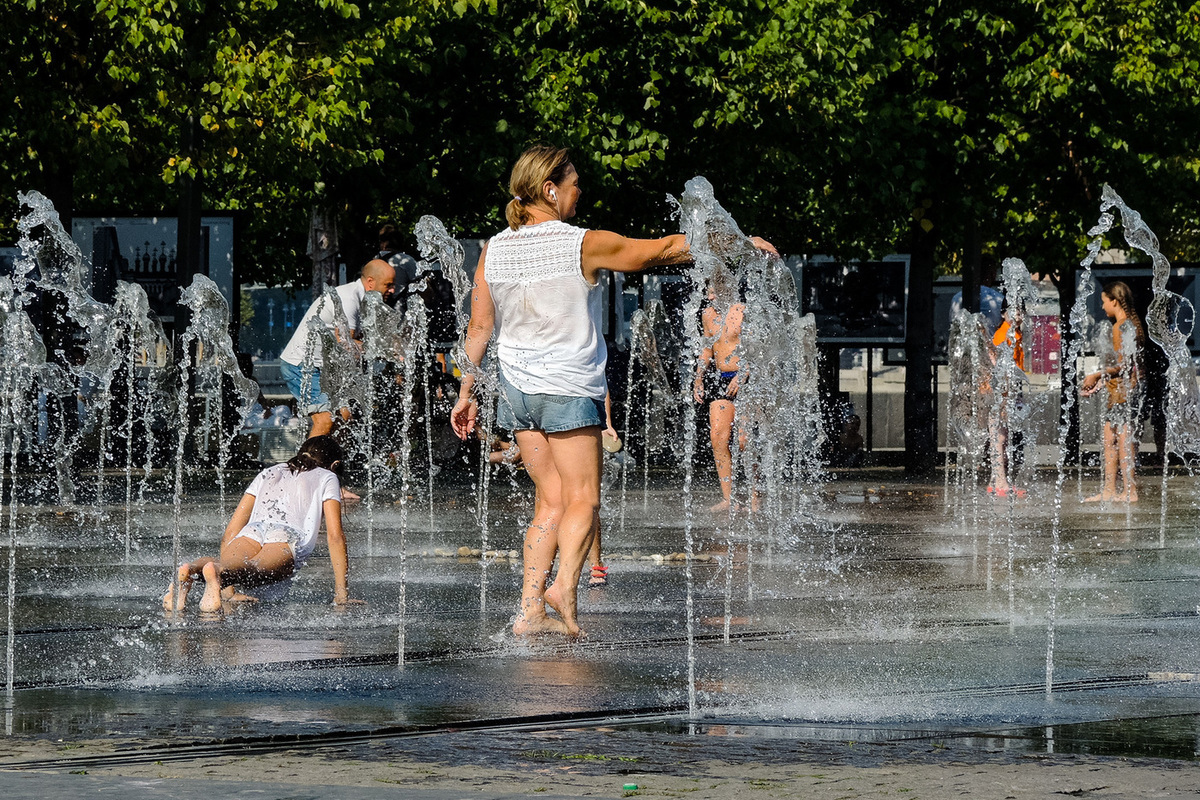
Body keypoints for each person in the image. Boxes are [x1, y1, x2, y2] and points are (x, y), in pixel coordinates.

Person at [450, 145, 774, 637]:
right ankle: (563, 587)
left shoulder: (494, 249)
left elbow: (478, 327)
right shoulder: (580, 243)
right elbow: (660, 250)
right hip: (567, 387)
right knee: (583, 499)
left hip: (516, 391)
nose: (581, 191)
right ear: (550, 188)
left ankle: (530, 608)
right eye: (575, 183)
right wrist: (736, 243)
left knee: (549, 503)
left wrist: (466, 391)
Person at [162, 435, 359, 613]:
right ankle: (216, 573)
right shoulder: (327, 476)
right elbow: (335, 536)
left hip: (251, 532)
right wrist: (342, 595)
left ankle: (192, 569)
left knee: (228, 567)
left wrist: (228, 593)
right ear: (335, 464)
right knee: (254, 570)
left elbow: (232, 531)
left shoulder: (269, 472)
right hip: (285, 537)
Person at [278, 260, 396, 437]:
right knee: (326, 419)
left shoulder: (366, 301)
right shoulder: (349, 298)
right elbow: (346, 345)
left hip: (323, 368)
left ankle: (331, 462)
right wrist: (385, 352)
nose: (393, 290)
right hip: (302, 365)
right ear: (370, 281)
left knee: (344, 417)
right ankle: (306, 463)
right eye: (388, 284)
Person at [693, 275, 754, 512]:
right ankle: (729, 499)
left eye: (713, 292)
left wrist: (744, 373)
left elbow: (756, 348)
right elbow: (707, 348)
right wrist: (699, 377)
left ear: (727, 290)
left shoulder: (743, 312)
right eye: (707, 292)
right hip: (720, 379)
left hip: (746, 379)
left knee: (743, 441)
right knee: (718, 437)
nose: (709, 297)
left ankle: (754, 496)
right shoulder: (708, 314)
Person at [1082, 281, 1145, 503]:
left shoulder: (1121, 327)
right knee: (1111, 439)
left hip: (1125, 391)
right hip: (1126, 389)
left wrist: (1096, 375)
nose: (1102, 307)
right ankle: (1111, 490)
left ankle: (1129, 491)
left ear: (1115, 301)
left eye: (1104, 302)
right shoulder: (1131, 324)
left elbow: (1125, 366)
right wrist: (1102, 383)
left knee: (1121, 440)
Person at [986, 304, 1028, 497]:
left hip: (1009, 390)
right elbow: (997, 367)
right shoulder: (1003, 335)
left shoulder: (1015, 333)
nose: (1019, 315)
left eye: (1021, 311)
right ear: (1004, 313)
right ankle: (1000, 481)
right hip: (1001, 391)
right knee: (999, 436)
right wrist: (1004, 394)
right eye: (1015, 311)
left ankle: (995, 481)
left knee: (1003, 435)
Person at [376, 224, 422, 316]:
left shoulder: (373, 262)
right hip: (400, 315)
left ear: (382, 243)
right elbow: (424, 291)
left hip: (378, 315)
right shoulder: (407, 261)